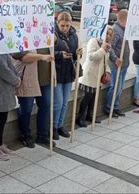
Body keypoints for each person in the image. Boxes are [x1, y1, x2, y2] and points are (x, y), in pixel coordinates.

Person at [13, 50, 53, 148]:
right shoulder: (20, 35)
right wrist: (42, 57)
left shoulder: (45, 35)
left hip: (44, 78)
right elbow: (22, 56)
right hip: (28, 79)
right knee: (26, 109)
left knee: (45, 106)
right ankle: (25, 135)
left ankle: (42, 135)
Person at [77, 26, 113, 127]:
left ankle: (90, 115)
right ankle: (80, 117)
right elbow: (91, 57)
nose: (109, 36)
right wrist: (102, 49)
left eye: (110, 34)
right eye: (107, 34)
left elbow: (105, 61)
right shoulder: (93, 41)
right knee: (87, 97)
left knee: (94, 97)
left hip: (99, 75)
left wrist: (108, 72)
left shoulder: (107, 46)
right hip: (89, 74)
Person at [53, 12, 82, 140]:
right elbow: (49, 53)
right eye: (62, 25)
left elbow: (74, 56)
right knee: (58, 102)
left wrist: (77, 53)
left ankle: (60, 125)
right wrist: (60, 54)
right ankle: (53, 126)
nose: (65, 28)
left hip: (69, 72)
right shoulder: (53, 35)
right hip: (58, 72)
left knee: (65, 102)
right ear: (58, 24)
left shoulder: (74, 36)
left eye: (67, 25)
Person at [0, 54, 21, 161]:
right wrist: (16, 80)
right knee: (0, 119)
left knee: (2, 118)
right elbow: (2, 69)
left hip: (5, 87)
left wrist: (16, 78)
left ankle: (0, 144)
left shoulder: (1, 46)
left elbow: (9, 65)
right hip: (0, 88)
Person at [106, 9, 129, 117]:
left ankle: (115, 106)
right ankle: (109, 107)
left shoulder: (124, 30)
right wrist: (115, 59)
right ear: (123, 19)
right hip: (116, 65)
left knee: (119, 87)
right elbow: (110, 48)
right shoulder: (116, 30)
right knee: (115, 86)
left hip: (123, 64)